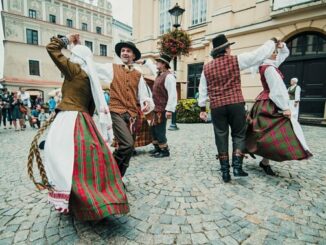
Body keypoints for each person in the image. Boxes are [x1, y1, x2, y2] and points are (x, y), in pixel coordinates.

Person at [28, 34, 128, 220]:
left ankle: (71, 196)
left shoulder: (74, 70)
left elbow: (51, 48)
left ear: (76, 58)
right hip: (84, 120)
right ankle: (95, 197)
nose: (70, 57)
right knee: (85, 159)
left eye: (73, 55)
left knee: (60, 156)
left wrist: (65, 40)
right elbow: (90, 108)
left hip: (68, 119)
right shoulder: (89, 78)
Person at [198, 34, 277, 183]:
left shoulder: (206, 68)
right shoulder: (237, 60)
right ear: (226, 49)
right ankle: (237, 167)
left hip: (217, 106)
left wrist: (202, 108)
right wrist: (271, 41)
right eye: (229, 47)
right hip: (235, 104)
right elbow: (259, 54)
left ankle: (225, 172)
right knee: (238, 135)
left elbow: (202, 89)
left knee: (220, 135)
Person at [246, 42, 312, 175]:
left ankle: (263, 161)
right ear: (267, 54)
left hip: (264, 102)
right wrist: (285, 107)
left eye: (276, 52)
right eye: (273, 52)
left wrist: (283, 48)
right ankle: (250, 153)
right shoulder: (269, 68)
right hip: (271, 104)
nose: (276, 54)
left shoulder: (268, 64)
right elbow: (277, 90)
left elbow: (283, 56)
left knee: (266, 133)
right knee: (273, 133)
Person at [95, 41, 154, 177]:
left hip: (133, 114)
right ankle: (109, 175)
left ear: (133, 56)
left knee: (129, 147)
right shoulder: (111, 68)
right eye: (123, 51)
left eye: (128, 51)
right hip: (116, 112)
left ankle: (117, 178)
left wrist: (146, 103)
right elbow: (92, 67)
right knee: (127, 145)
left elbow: (143, 95)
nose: (125, 53)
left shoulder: (138, 73)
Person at [138, 54, 177, 158]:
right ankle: (157, 148)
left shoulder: (169, 76)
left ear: (164, 64)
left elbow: (173, 94)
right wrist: (144, 62)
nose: (156, 63)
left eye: (158, 62)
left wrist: (169, 110)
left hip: (162, 109)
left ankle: (164, 151)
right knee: (153, 129)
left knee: (160, 130)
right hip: (155, 108)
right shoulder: (159, 74)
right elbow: (151, 65)